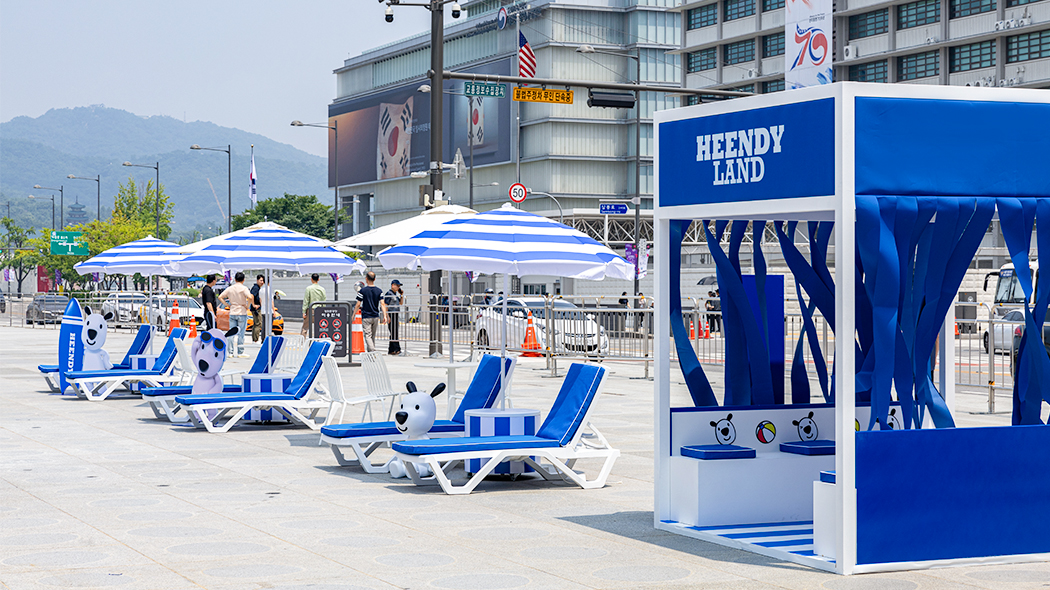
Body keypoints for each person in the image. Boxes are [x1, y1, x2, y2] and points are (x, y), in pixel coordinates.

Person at [218, 272, 252, 357]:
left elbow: (220, 297)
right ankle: (240, 352)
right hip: (242, 312)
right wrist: (247, 306)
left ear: (235, 279)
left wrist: (227, 305)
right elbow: (250, 297)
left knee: (231, 333)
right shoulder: (244, 288)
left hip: (232, 311)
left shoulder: (230, 288)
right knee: (241, 333)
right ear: (243, 280)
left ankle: (230, 352)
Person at [354, 271, 388, 353]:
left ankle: (372, 351)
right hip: (375, 316)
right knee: (372, 336)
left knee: (367, 335)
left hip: (366, 316)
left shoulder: (363, 291)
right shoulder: (379, 291)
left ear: (366, 279)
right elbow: (382, 304)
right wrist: (385, 316)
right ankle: (371, 354)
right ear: (375, 279)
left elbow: (358, 304)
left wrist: (353, 314)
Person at [384, 279, 404, 355]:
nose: (398, 287)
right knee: (394, 332)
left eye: (399, 286)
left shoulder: (395, 294)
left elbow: (401, 303)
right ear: (393, 285)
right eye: (397, 286)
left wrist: (401, 295)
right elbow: (386, 305)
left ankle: (391, 350)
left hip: (395, 314)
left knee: (394, 332)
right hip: (391, 314)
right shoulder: (389, 294)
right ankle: (397, 349)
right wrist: (387, 316)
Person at [250, 274, 265, 343]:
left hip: (256, 308)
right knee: (258, 324)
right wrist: (254, 305)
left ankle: (254, 339)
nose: (262, 282)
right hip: (256, 309)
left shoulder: (258, 288)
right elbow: (251, 296)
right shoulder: (256, 288)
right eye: (260, 280)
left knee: (256, 324)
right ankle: (255, 340)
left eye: (263, 281)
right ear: (257, 280)